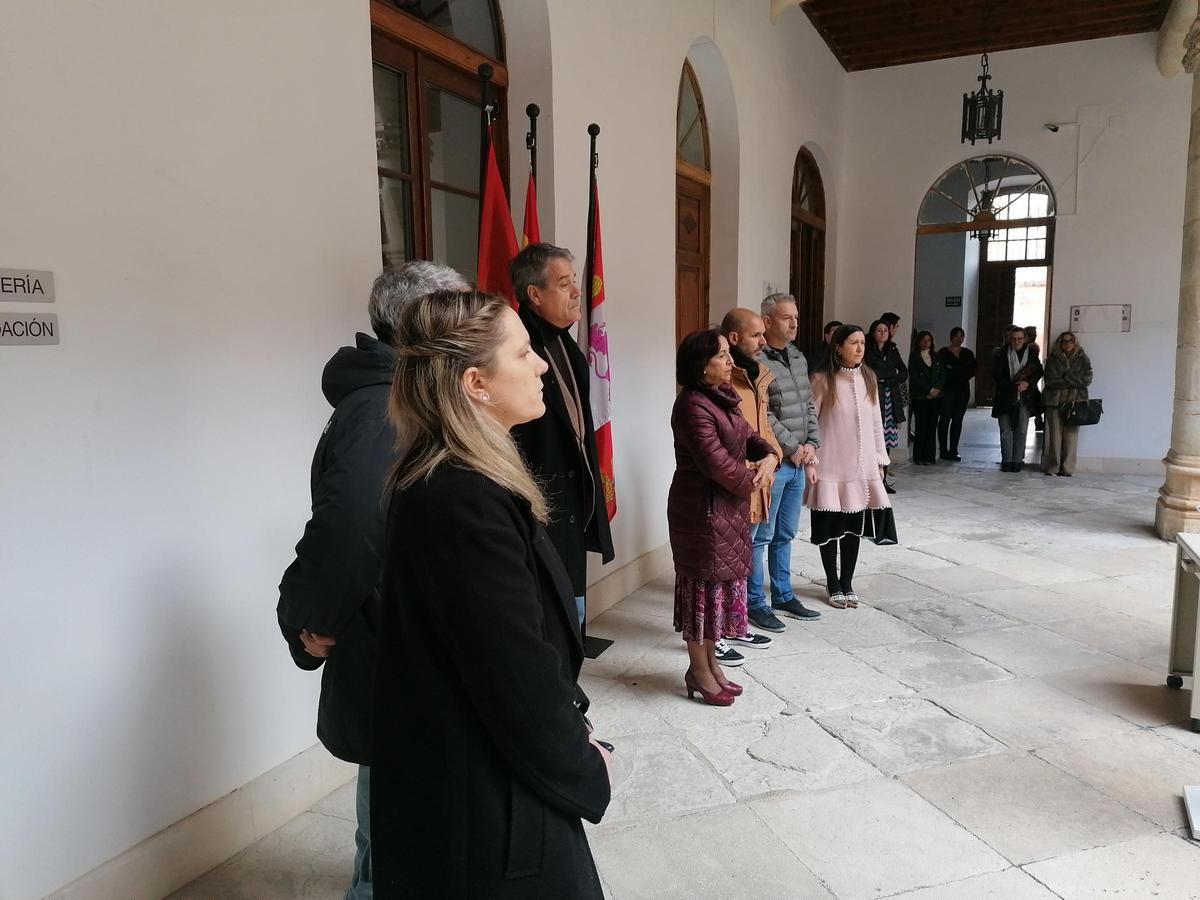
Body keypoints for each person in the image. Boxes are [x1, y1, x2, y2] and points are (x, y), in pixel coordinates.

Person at [371, 290, 613, 897]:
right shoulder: (461, 498)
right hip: (485, 808)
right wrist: (583, 766)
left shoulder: (458, 475)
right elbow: (514, 672)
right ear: (476, 383)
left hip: (482, 782)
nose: (540, 366)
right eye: (525, 352)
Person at [276, 261, 467, 900]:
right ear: (425, 324)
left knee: (405, 806)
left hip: (409, 642)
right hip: (391, 645)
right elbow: (352, 525)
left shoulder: (407, 395)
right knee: (392, 828)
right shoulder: (381, 410)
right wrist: (310, 619)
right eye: (461, 311)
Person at [668, 329, 779, 705]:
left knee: (715, 595)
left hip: (724, 510)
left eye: (729, 354)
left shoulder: (722, 398)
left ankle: (711, 666)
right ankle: (698, 670)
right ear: (701, 368)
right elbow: (718, 466)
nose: (730, 362)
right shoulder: (692, 406)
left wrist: (768, 455)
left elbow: (751, 436)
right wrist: (757, 477)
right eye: (722, 356)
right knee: (700, 595)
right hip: (701, 512)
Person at [510, 243, 615, 629]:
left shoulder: (566, 344)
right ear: (535, 295)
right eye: (565, 284)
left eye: (576, 282)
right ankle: (560, 685)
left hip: (571, 503)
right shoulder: (518, 349)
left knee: (572, 604)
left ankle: (569, 681)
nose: (577, 292)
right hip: (540, 506)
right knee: (548, 610)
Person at [805, 325, 898, 608]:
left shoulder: (868, 377)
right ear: (838, 347)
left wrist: (881, 460)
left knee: (853, 529)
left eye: (862, 343)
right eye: (853, 343)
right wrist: (811, 460)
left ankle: (847, 581)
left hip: (861, 468)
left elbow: (875, 423)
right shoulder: (822, 380)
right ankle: (832, 583)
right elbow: (812, 424)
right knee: (829, 529)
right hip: (829, 467)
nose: (860, 348)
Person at [757, 293, 824, 624]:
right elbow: (762, 414)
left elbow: (808, 404)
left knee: (785, 534)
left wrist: (812, 443)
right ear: (768, 321)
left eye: (796, 317)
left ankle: (783, 594)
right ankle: (755, 602)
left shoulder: (797, 357)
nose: (795, 322)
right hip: (775, 462)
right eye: (787, 317)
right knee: (761, 536)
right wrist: (791, 448)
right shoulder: (756, 360)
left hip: (799, 461)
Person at [722, 308, 787, 640]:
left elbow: (763, 426)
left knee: (760, 540)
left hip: (762, 474)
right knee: (736, 550)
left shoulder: (758, 374)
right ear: (734, 338)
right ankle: (748, 608)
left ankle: (753, 604)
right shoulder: (721, 379)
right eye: (756, 335)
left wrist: (773, 456)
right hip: (737, 479)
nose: (763, 341)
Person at [991, 324, 1043, 472]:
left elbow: (1039, 371)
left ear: (1025, 339)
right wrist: (1014, 387)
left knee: (1021, 429)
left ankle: (1017, 460)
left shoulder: (1031, 354)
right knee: (1005, 430)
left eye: (1020, 338)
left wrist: (1028, 383)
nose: (1017, 341)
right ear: (1009, 340)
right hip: (1005, 396)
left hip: (1025, 397)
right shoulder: (1001, 354)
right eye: (1014, 339)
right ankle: (1006, 460)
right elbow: (996, 375)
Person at [1042, 330, 1093, 476]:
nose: (1067, 343)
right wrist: (1073, 380)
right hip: (1054, 402)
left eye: (1070, 340)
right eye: (1064, 341)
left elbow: (1087, 379)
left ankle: (1068, 468)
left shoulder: (1083, 358)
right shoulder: (1052, 359)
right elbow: (1050, 380)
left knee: (1071, 437)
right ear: (1060, 343)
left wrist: (1066, 377)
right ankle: (1053, 467)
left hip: (1075, 402)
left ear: (1075, 342)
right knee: (1055, 437)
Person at [865, 319, 906, 493]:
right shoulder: (867, 350)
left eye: (885, 331)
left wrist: (886, 378)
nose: (883, 334)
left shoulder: (893, 350)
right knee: (873, 441)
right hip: (875, 398)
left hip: (891, 400)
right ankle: (871, 481)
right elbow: (868, 372)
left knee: (887, 443)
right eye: (879, 331)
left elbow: (903, 372)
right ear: (873, 333)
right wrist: (889, 375)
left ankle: (883, 480)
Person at [936, 326, 977, 461]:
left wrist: (954, 369)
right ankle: (943, 449)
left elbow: (972, 369)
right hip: (947, 389)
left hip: (962, 390)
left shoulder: (968, 353)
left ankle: (954, 449)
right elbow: (942, 370)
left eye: (961, 336)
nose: (959, 338)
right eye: (956, 336)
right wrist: (959, 370)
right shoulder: (943, 352)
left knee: (958, 420)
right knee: (945, 418)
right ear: (951, 337)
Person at [907, 330, 945, 465]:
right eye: (923, 340)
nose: (926, 342)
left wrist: (936, 390)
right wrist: (928, 390)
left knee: (932, 425)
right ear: (918, 342)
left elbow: (942, 375)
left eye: (928, 340)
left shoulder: (937, 356)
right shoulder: (914, 357)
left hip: (936, 397)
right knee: (921, 425)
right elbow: (915, 377)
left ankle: (930, 456)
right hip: (920, 396)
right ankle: (919, 456)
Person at [1024, 325, 1045, 432]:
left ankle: (1038, 420)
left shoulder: (1032, 347)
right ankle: (1038, 420)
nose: (1034, 337)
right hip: (1028, 379)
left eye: (1035, 335)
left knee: (1037, 401)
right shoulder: (1031, 347)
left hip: (1030, 379)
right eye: (1032, 335)